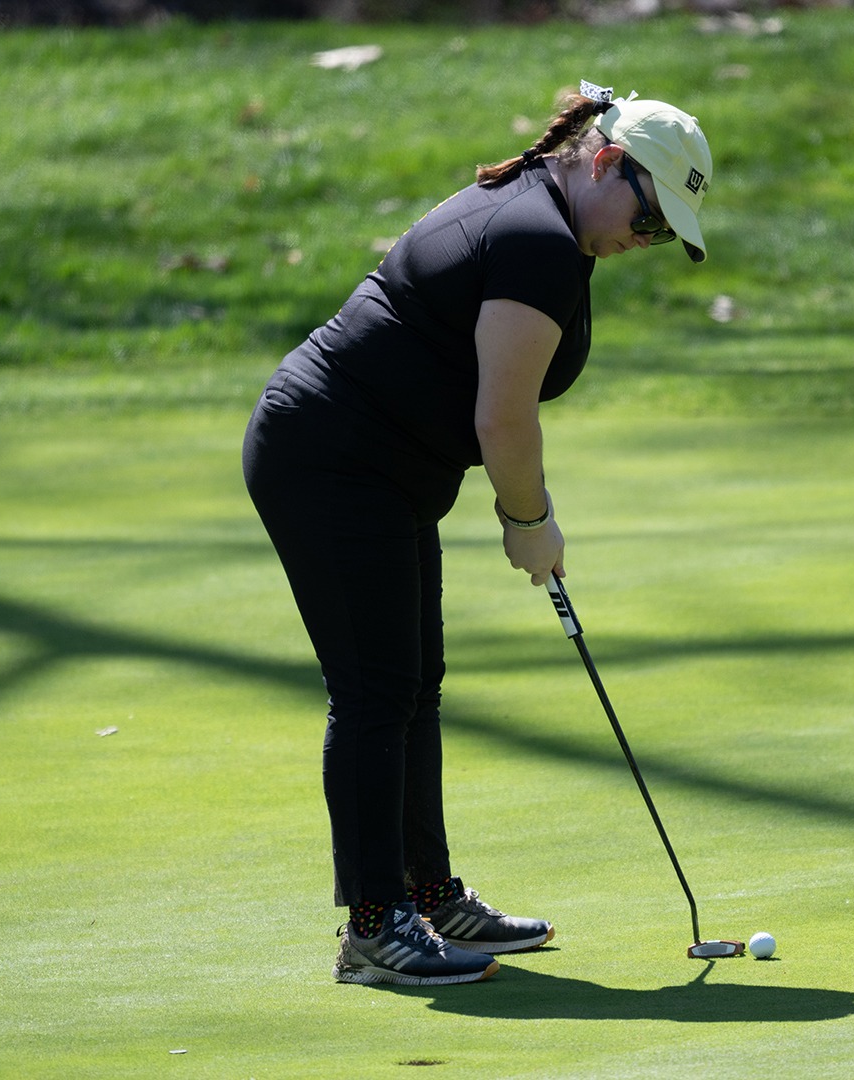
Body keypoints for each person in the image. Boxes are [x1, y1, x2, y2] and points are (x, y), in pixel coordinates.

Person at [242, 81, 714, 986]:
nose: (643, 243)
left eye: (660, 238)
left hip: (380, 471)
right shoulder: (536, 237)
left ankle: (427, 896)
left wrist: (521, 513)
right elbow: (503, 418)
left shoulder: (546, 217)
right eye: (649, 221)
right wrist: (528, 520)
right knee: (378, 693)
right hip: (332, 460)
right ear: (608, 163)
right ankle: (377, 928)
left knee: (414, 688)